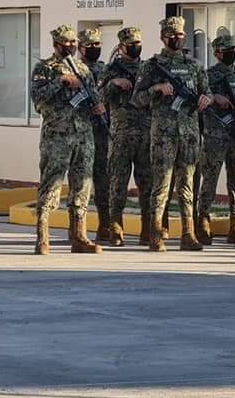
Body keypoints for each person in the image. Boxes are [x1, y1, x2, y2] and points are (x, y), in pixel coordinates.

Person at [132, 16, 212, 252]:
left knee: (187, 185)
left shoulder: (194, 66)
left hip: (189, 134)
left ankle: (188, 233)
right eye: (172, 35)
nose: (176, 38)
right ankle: (156, 233)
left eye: (180, 34)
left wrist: (205, 99)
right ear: (163, 37)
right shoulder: (152, 66)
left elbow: (207, 92)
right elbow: (137, 99)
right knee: (162, 184)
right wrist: (156, 89)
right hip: (163, 135)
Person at [28, 25, 103, 255]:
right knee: (51, 183)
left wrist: (98, 107)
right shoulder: (45, 68)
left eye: (73, 42)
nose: (70, 46)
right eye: (66, 42)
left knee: (82, 185)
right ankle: (43, 236)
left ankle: (79, 236)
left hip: (83, 135)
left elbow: (93, 96)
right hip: (58, 136)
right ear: (56, 44)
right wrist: (60, 81)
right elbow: (37, 98)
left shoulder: (82, 68)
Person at [195, 33, 235, 245]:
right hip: (215, 136)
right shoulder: (207, 76)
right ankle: (203, 223)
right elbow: (198, 99)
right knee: (209, 181)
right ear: (217, 53)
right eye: (226, 50)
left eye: (233, 50)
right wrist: (213, 97)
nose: (231, 53)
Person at [99, 27, 152, 246]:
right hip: (121, 133)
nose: (135, 47)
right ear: (121, 46)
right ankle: (115, 227)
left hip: (146, 133)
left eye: (138, 43)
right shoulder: (111, 69)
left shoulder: (148, 68)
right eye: (131, 44)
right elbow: (98, 97)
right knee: (118, 183)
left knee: (147, 184)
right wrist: (114, 83)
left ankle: (147, 228)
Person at [79, 28, 110, 243]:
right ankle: (78, 226)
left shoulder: (106, 70)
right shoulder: (74, 70)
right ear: (81, 48)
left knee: (103, 180)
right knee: (80, 181)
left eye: (97, 44)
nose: (94, 48)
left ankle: (105, 225)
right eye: (89, 45)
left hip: (102, 132)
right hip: (81, 131)